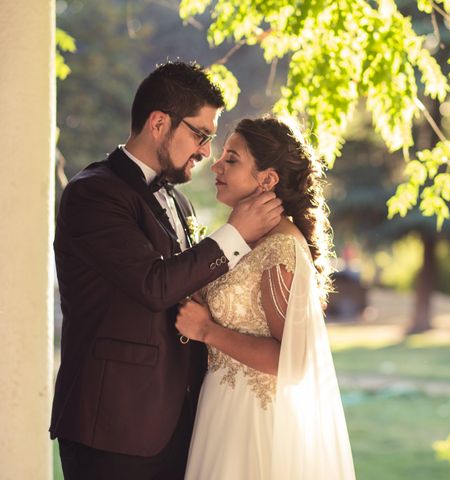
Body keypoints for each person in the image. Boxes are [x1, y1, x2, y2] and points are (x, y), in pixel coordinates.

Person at [50, 61, 283, 479]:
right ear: (159, 123)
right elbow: (153, 284)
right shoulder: (93, 194)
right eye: (200, 134)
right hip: (113, 427)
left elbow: (186, 287)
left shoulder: (180, 203)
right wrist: (235, 234)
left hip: (181, 423)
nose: (206, 151)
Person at [175, 116, 356, 479]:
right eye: (222, 155)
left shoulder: (279, 250)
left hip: (253, 420)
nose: (217, 164)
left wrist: (207, 331)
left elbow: (291, 358)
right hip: (222, 408)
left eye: (232, 159)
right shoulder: (243, 238)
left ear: (267, 179)